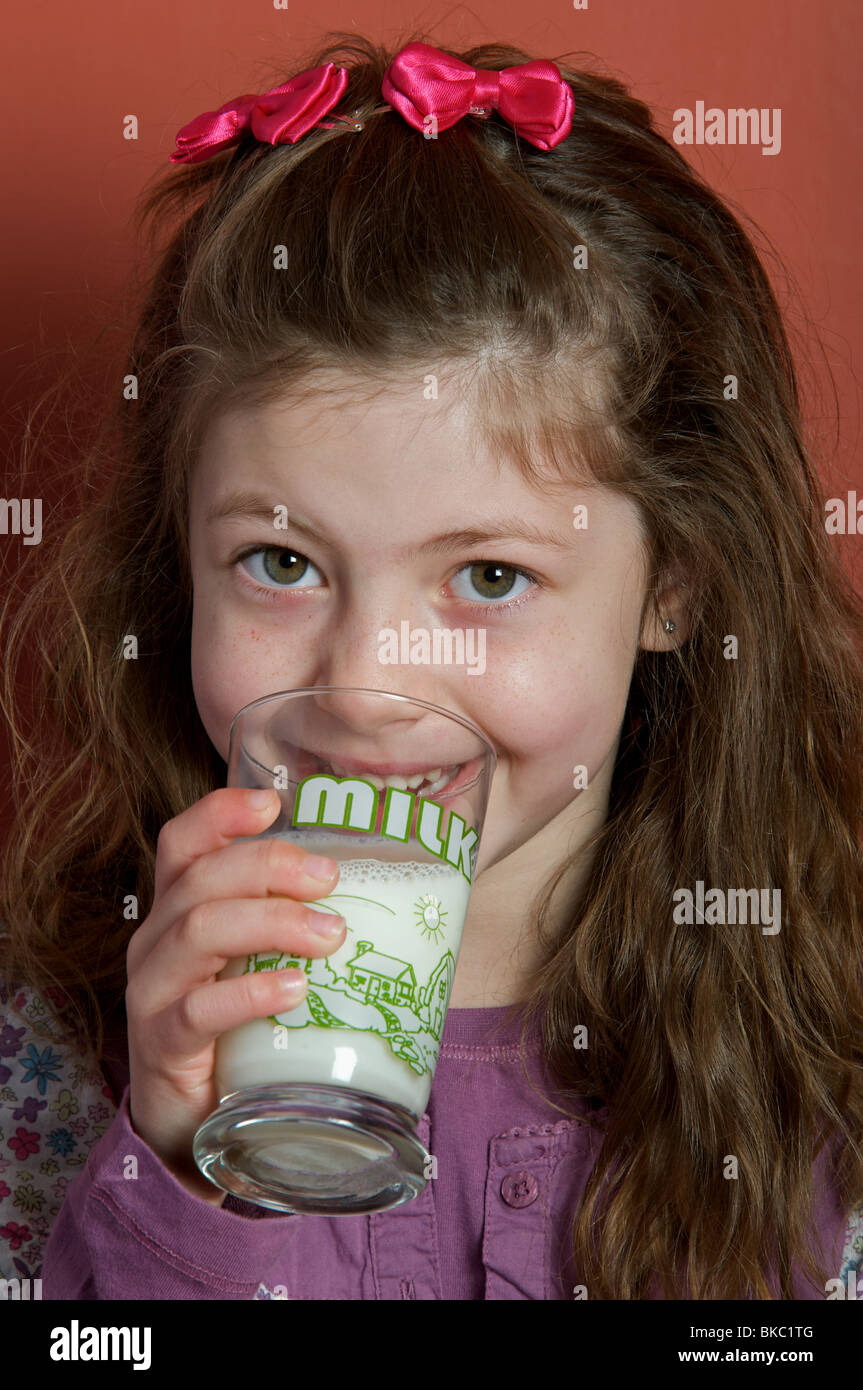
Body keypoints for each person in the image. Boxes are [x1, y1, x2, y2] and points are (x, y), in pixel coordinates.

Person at [1, 31, 861, 1301]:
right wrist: (171, 1176)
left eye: (489, 577)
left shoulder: (821, 1055)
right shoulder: (58, 1047)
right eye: (280, 563)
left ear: (674, 581)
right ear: (173, 556)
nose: (362, 681)